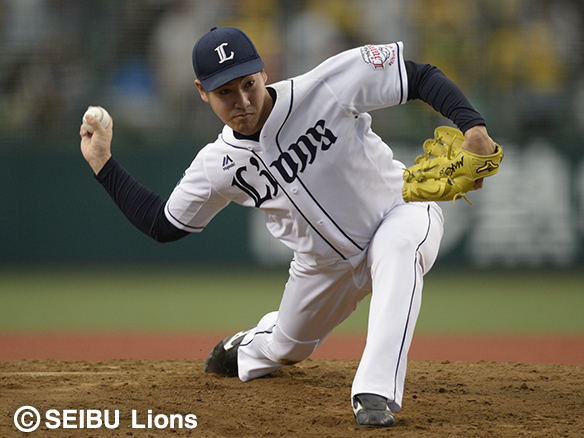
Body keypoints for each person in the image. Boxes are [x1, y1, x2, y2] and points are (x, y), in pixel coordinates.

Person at [80, 26, 497, 427]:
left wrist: (473, 127)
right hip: (322, 268)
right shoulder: (216, 165)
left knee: (398, 250)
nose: (242, 100)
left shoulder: (323, 88)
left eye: (248, 84)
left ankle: (375, 391)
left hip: (398, 212)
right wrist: (102, 163)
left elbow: (416, 76)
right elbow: (163, 223)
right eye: (225, 92)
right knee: (287, 347)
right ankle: (250, 345)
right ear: (202, 92)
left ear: (264, 72)